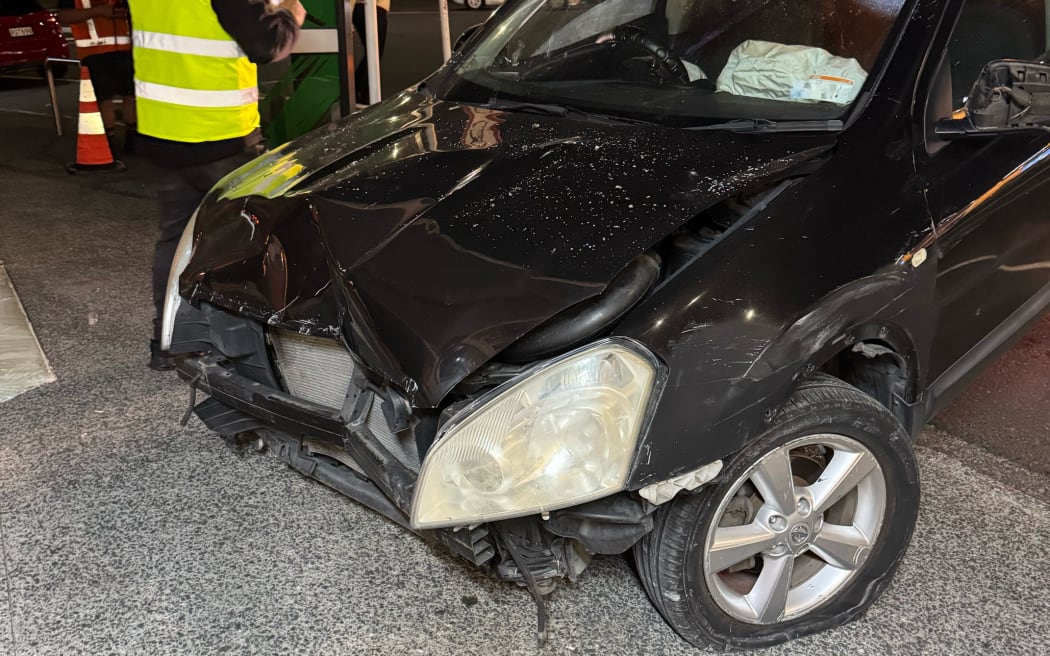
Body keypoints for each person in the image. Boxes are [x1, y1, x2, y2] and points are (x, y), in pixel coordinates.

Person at [125, 0, 305, 371]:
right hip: (221, 135)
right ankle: (241, 350)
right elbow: (267, 44)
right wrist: (289, 14)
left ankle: (169, 343)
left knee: (175, 240)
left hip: (164, 130)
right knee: (244, 242)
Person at [55, 0, 136, 151]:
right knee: (104, 99)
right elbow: (64, 16)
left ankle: (132, 138)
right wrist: (98, 11)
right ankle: (109, 141)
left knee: (130, 96)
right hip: (93, 51)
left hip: (125, 48)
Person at [352, 0, 390, 104]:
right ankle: (358, 90)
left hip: (364, 9)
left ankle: (360, 91)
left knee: (373, 54)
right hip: (373, 10)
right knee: (374, 55)